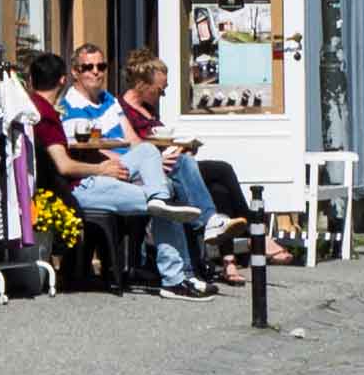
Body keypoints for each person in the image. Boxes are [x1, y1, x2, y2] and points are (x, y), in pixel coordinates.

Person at [47, 41, 209, 293]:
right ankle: (177, 278)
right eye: (88, 67)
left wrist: (154, 161)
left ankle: (179, 267)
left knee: (151, 156)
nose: (96, 72)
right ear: (75, 72)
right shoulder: (68, 107)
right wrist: (115, 166)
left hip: (120, 170)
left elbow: (134, 142)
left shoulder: (109, 100)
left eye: (101, 66)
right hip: (90, 180)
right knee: (167, 201)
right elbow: (84, 153)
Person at [122, 53, 288, 269]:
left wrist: (183, 147)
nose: (162, 94)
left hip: (173, 164)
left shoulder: (147, 109)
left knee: (219, 190)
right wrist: (161, 156)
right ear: (142, 85)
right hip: (156, 171)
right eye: (159, 90)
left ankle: (228, 261)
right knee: (222, 169)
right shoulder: (122, 111)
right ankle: (254, 232)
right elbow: (132, 148)